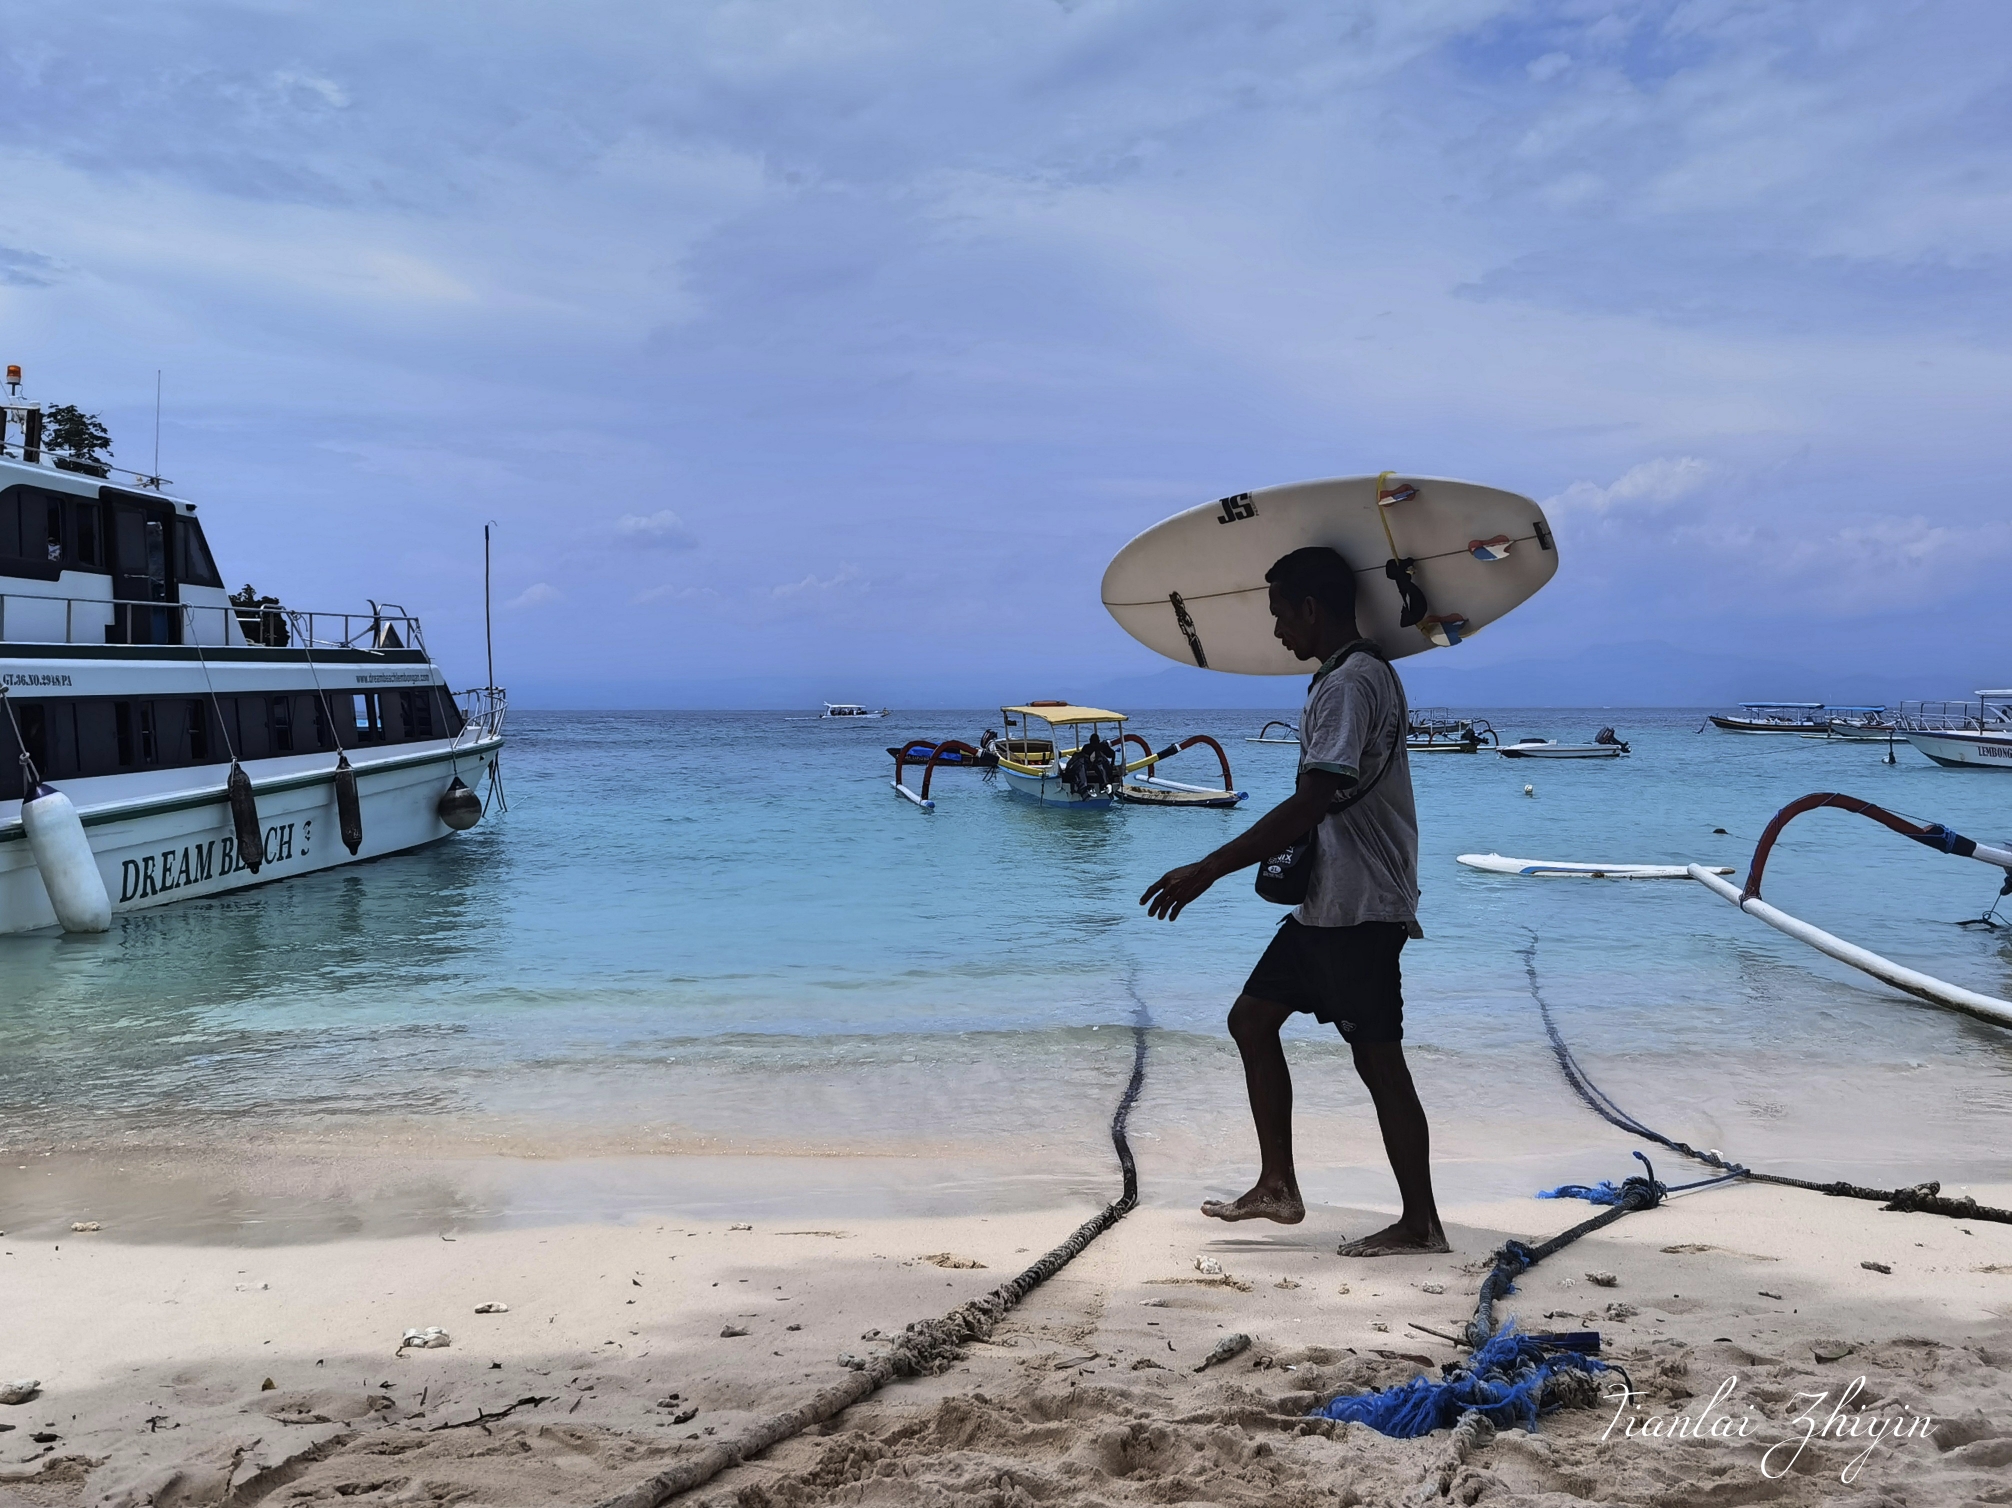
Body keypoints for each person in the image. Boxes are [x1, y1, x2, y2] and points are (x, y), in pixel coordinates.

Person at [1139, 545, 1446, 1257]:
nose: (1277, 633)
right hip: (1329, 903)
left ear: (1311, 608)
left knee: (1378, 1061)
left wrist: (1210, 866)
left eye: (1281, 615)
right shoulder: (1362, 674)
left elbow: (1313, 798)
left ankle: (1420, 1223)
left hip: (1362, 905)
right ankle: (1277, 1184)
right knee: (1251, 1020)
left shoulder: (1348, 684)